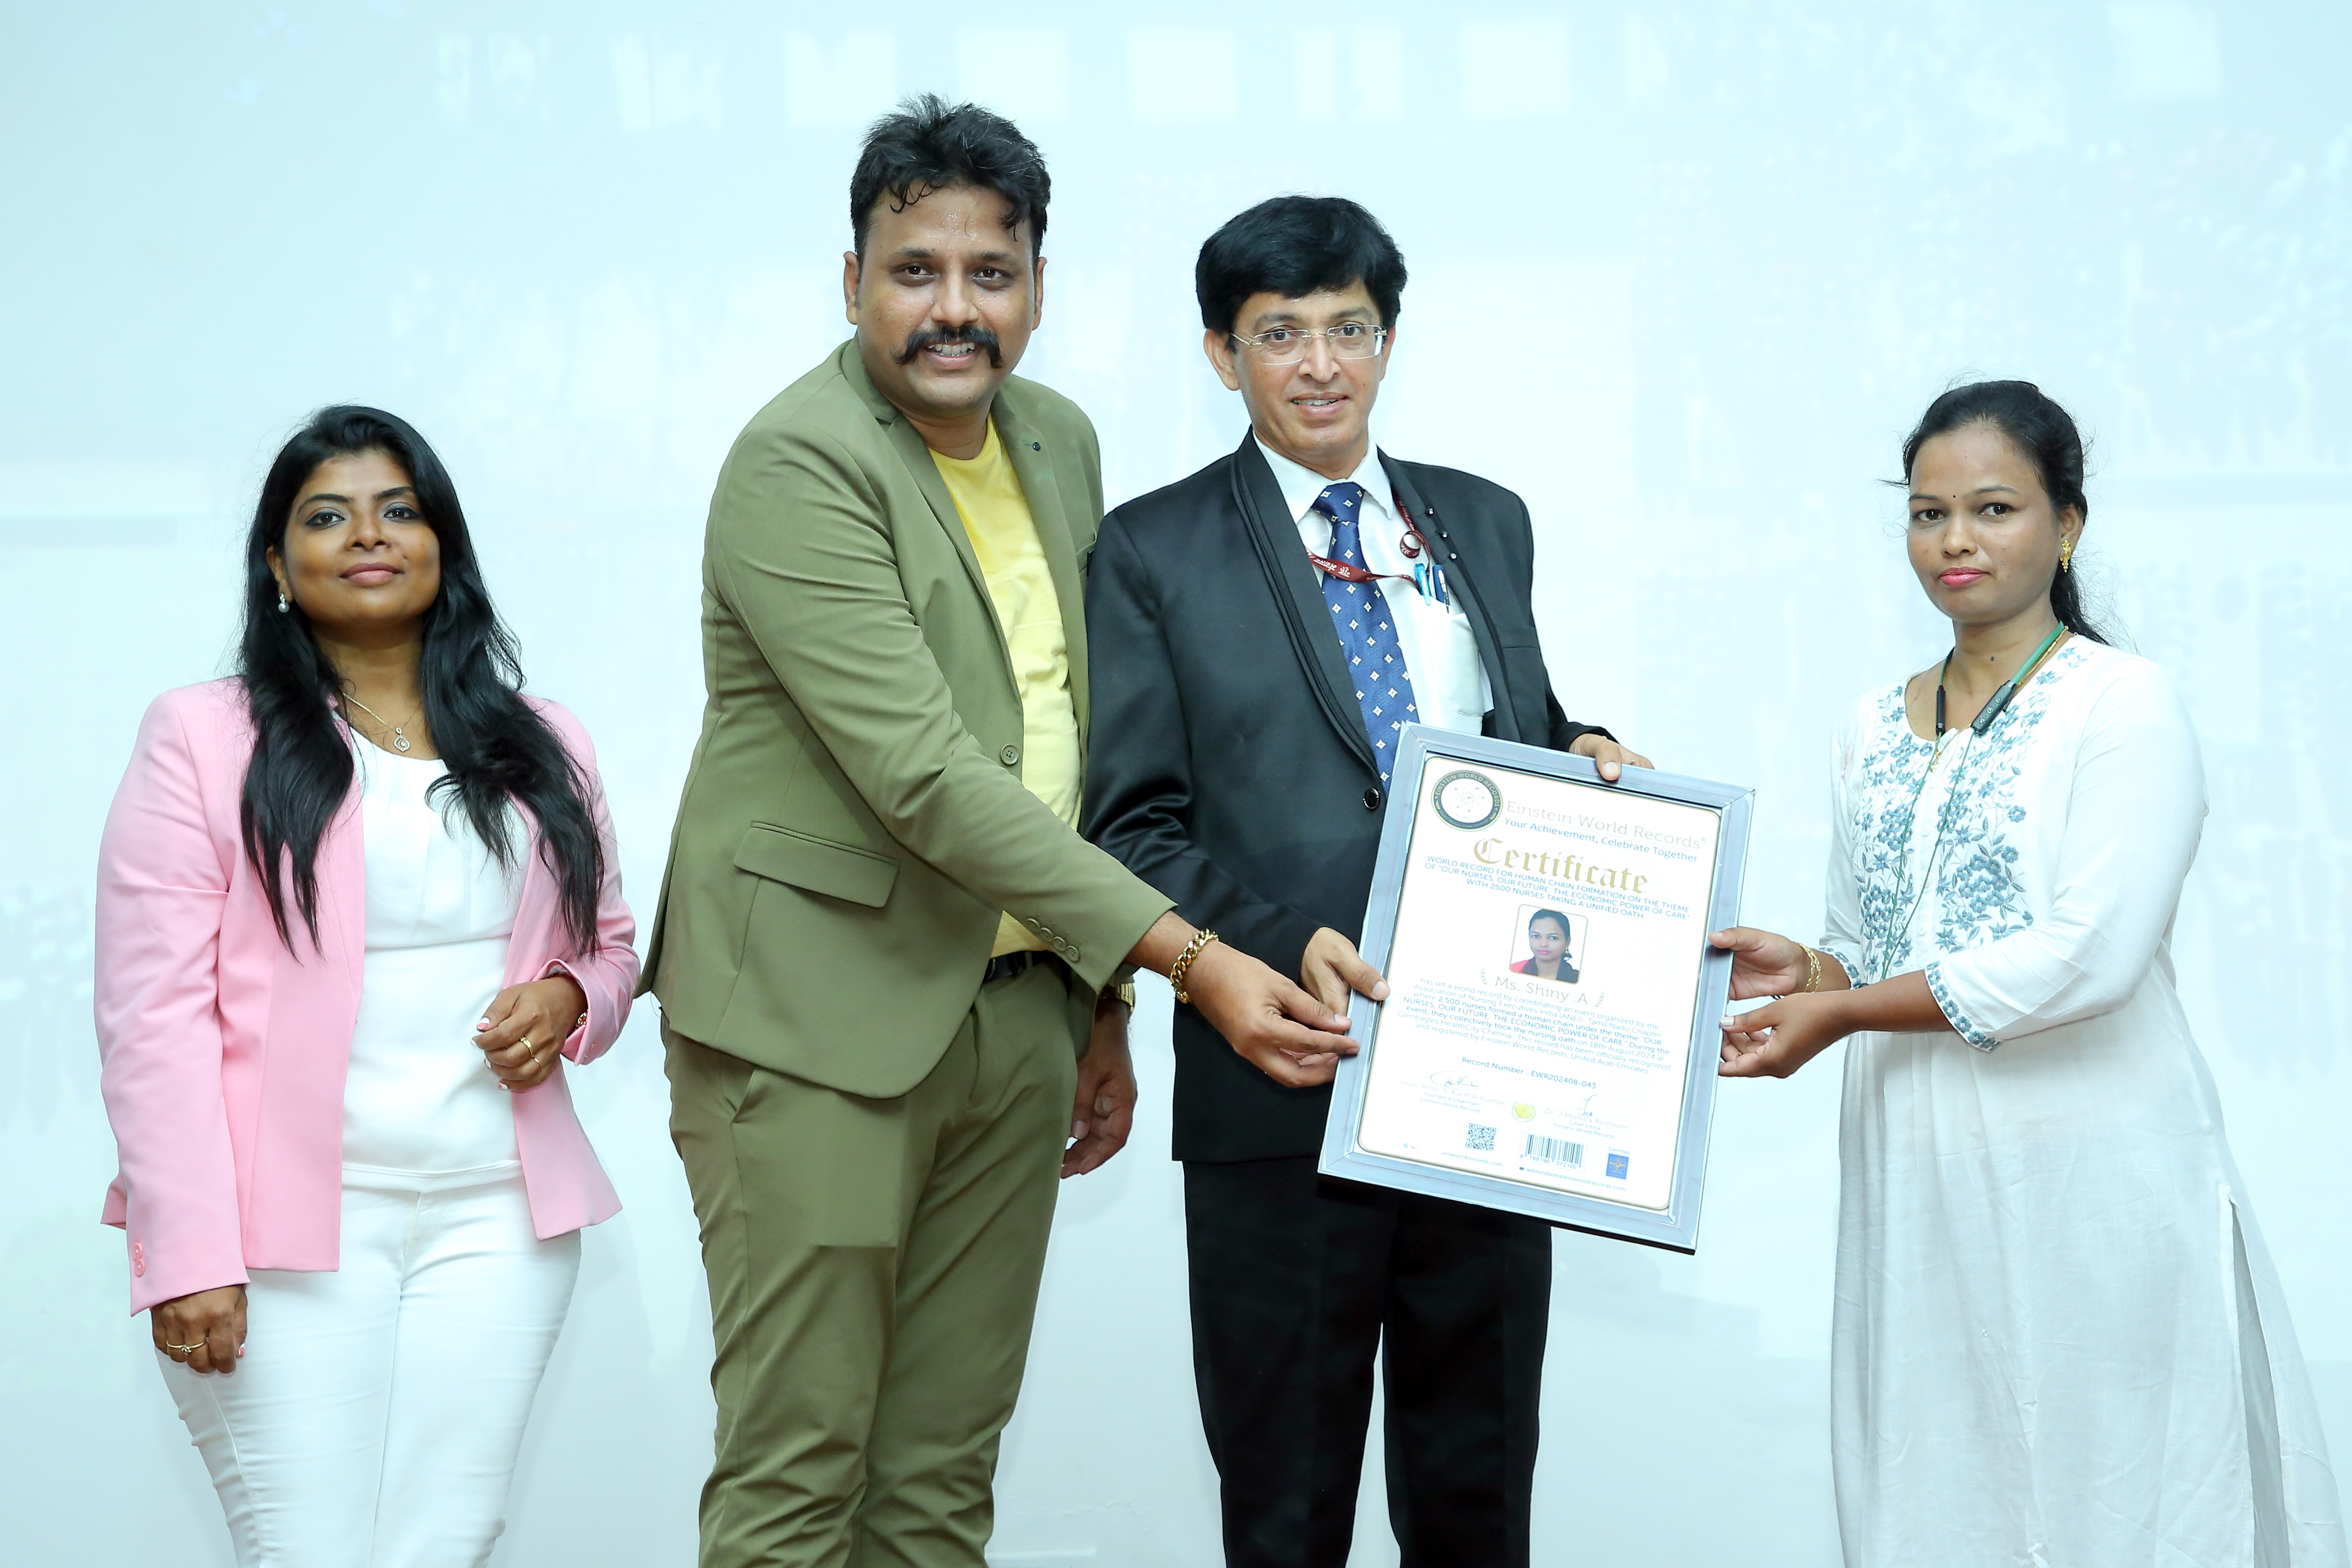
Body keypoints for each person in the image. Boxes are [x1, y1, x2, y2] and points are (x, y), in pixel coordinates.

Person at [642, 99, 1350, 1568]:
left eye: (990, 272)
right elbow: (924, 776)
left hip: (1016, 1017)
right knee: (799, 1475)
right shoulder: (799, 462)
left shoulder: (1055, 438)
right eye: (915, 271)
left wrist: (1093, 1006)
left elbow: (1077, 745)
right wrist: (1190, 959)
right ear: (853, 283)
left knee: (939, 1478)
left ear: (1036, 283)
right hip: (813, 1024)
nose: (953, 308)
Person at [1082, 195, 1650, 1568]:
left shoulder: (1484, 522)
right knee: (1287, 1512)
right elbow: (1129, 826)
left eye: (1351, 328)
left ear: (1389, 340)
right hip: (1285, 1076)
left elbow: (1513, 737)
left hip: (1495, 1090)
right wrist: (1287, 948)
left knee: (1476, 1505)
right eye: (1282, 332)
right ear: (1224, 353)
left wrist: (1586, 763)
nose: (1321, 363)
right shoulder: (1150, 551)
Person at [1713, 381, 2348, 1568]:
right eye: (1928, 512)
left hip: (2094, 1165)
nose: (1955, 540)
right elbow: (1876, 930)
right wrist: (1805, 964)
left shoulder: (2123, 701)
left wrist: (1841, 1008)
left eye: (1994, 507)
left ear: (2068, 524)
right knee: (1935, 1470)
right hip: (1919, 1162)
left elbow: (2090, 955)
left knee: (2117, 1483)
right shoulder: (1870, 722)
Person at [94, 405, 639, 1566]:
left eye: (400, 509)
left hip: (499, 1218)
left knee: (448, 1541)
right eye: (327, 516)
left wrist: (569, 1002)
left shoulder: (542, 739)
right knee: (311, 1550)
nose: (367, 535)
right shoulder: (202, 737)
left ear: (445, 544)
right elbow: (153, 1018)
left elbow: (613, 948)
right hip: (287, 1234)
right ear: (279, 566)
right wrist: (190, 1253)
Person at [1512, 909, 1578, 982]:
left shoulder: (1579, 979)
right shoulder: (1515, 970)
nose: (1543, 944)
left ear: (1567, 942)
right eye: (1536, 936)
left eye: (1553, 938)